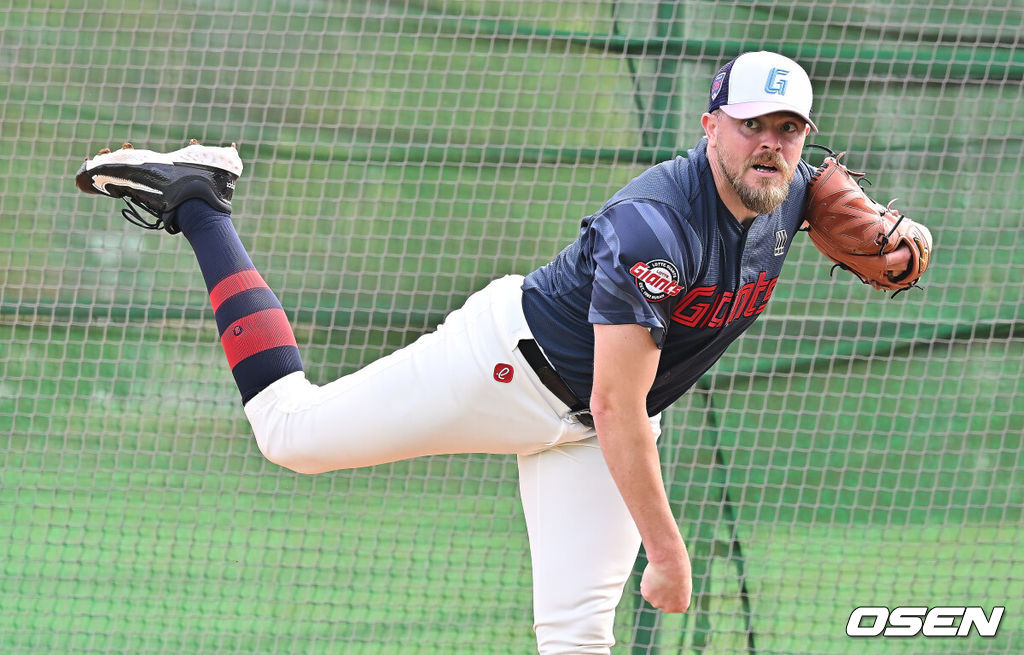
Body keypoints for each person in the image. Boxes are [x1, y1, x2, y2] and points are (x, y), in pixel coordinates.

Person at [75, 51, 897, 655]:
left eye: (788, 128)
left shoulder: (791, 192)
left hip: (597, 428)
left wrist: (907, 237)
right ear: (711, 125)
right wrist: (668, 551)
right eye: (752, 123)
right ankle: (200, 199)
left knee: (577, 637)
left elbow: (874, 226)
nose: (770, 143)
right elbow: (618, 403)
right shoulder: (655, 226)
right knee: (288, 433)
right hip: (507, 367)